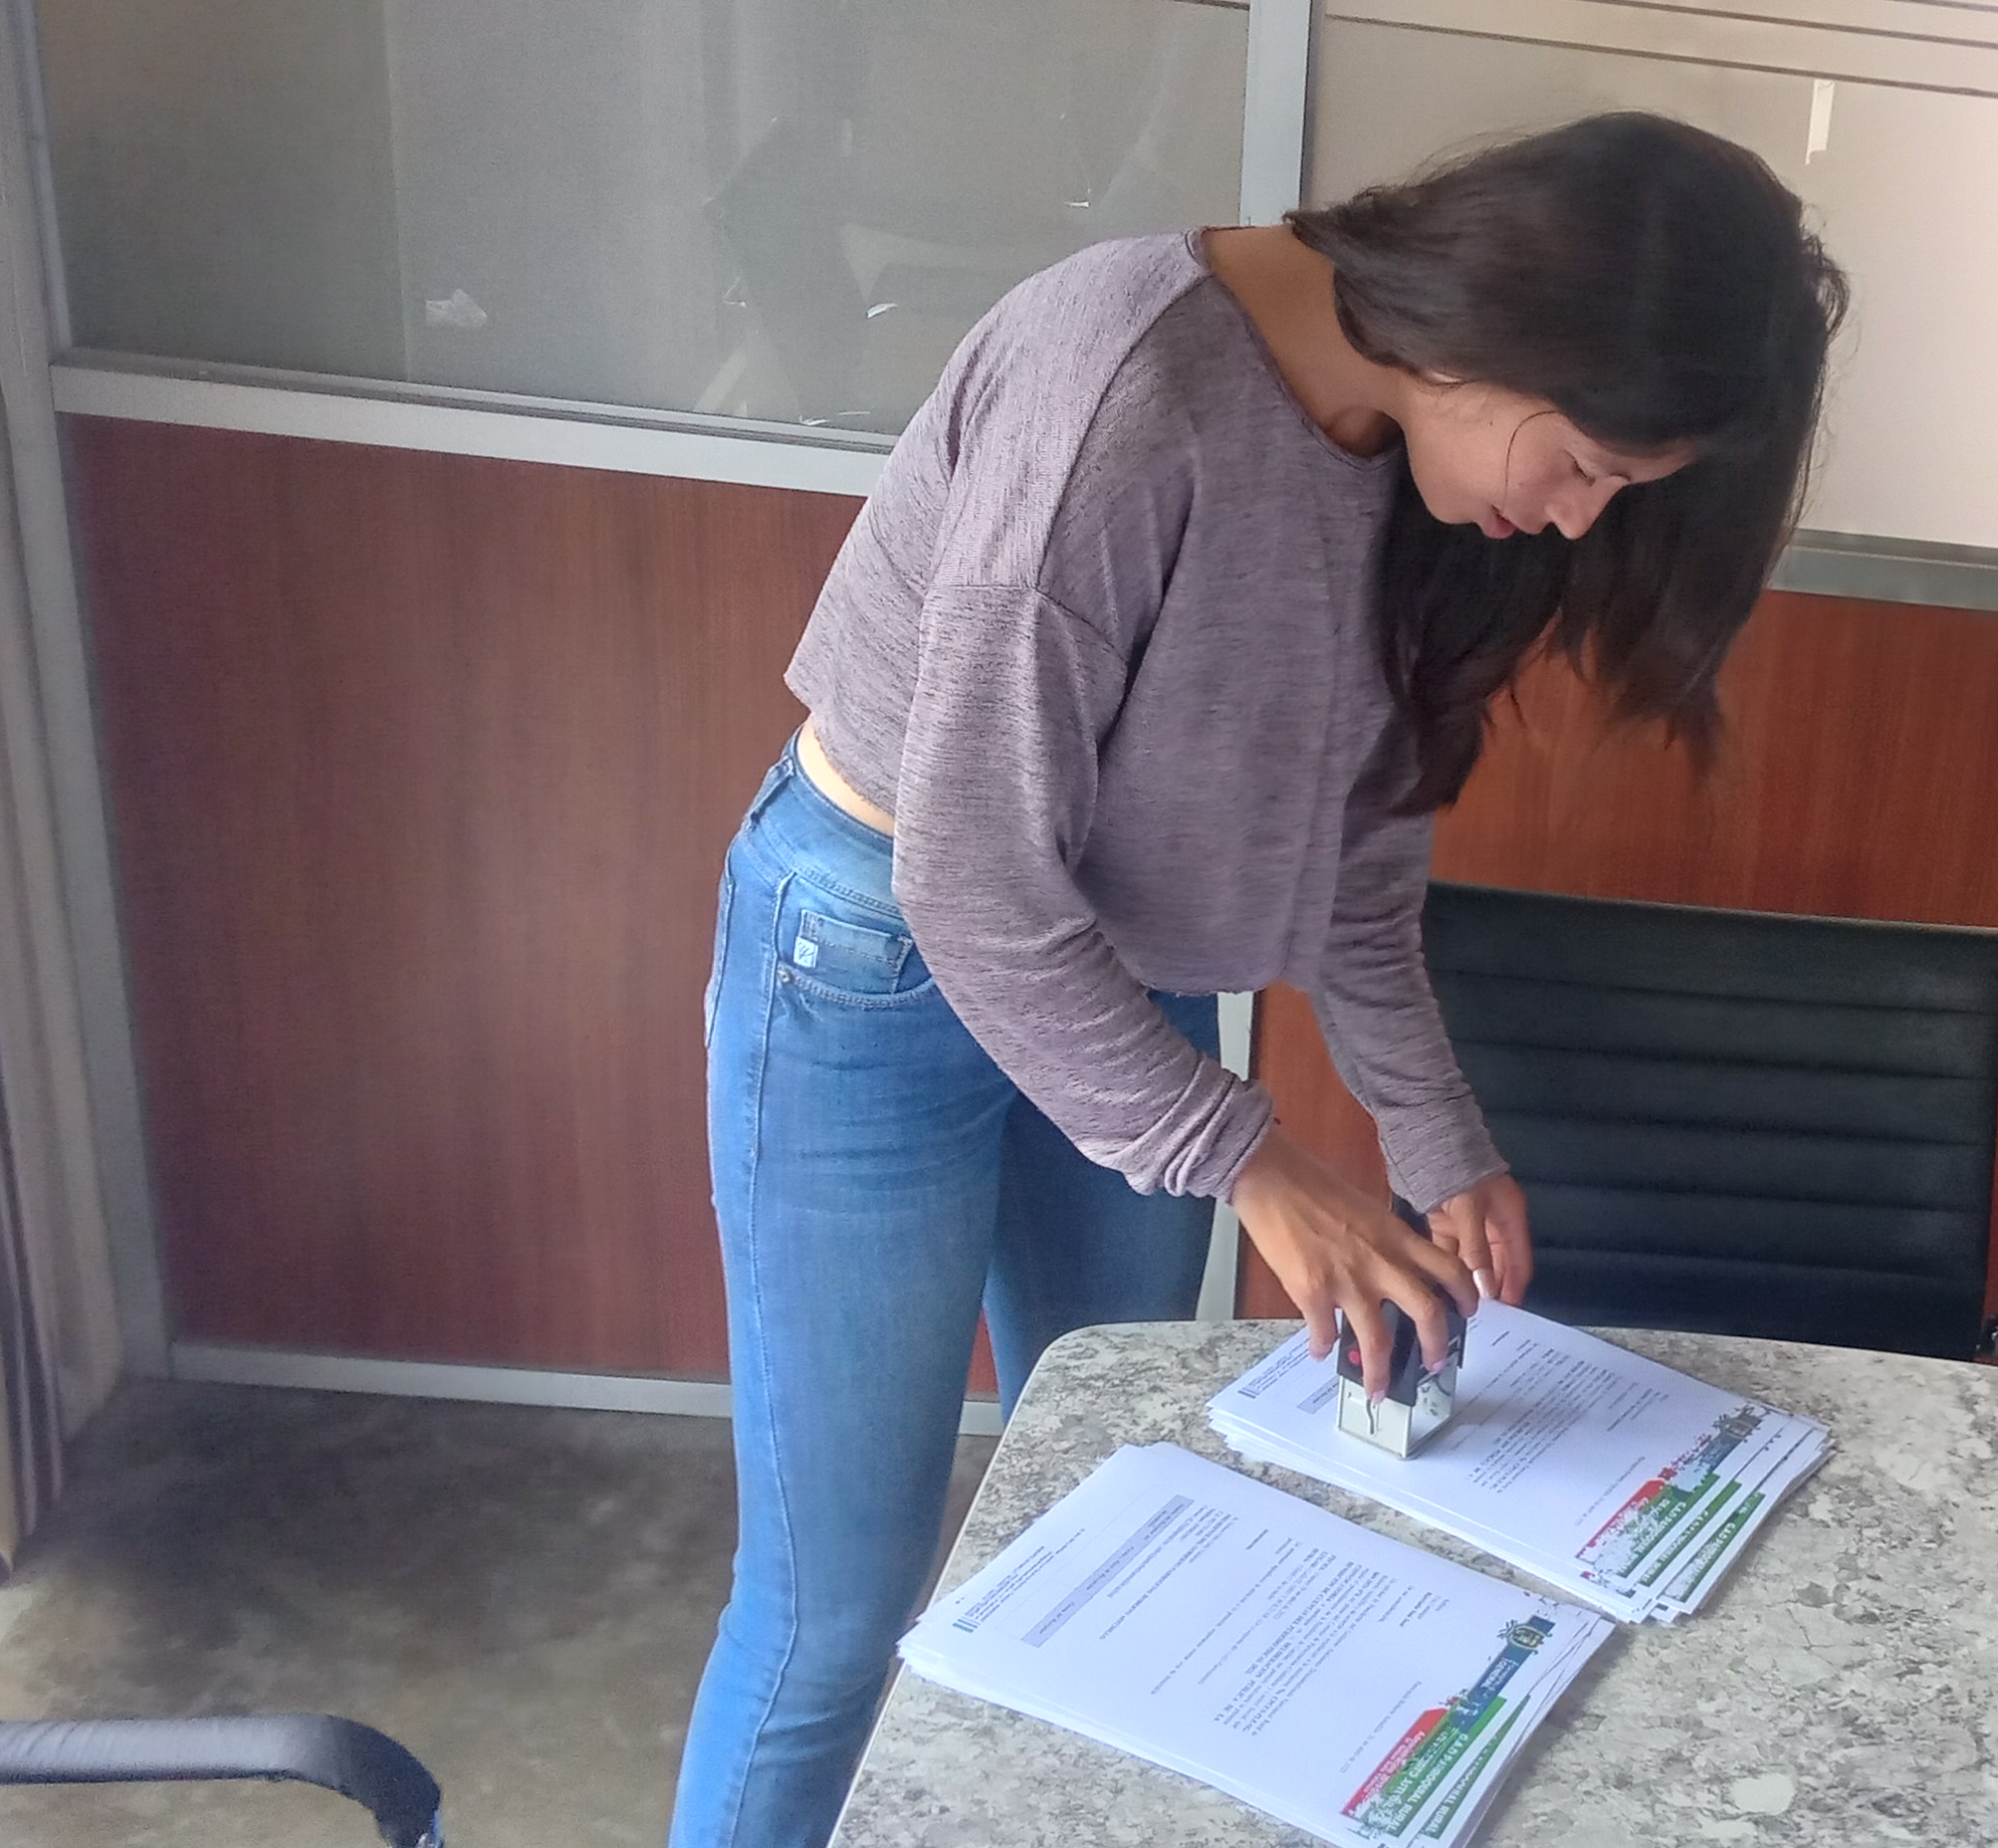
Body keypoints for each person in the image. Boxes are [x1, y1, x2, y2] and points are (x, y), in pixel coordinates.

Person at [670, 113, 1846, 1848]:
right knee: (834, 1612)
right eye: (1592, 465)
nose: (1575, 514)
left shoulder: (1417, 467)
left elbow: (1353, 875)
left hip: (1125, 982)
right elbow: (974, 878)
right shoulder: (1123, 391)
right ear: (1503, 328)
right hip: (872, 960)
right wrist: (1254, 1162)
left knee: (1108, 1522)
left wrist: (1439, 1140)